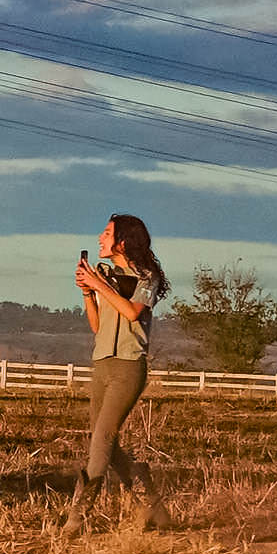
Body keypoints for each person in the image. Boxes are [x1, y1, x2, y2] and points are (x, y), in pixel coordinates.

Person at [73, 212, 170, 522]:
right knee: (104, 441)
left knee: (102, 439)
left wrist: (100, 286)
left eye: (107, 233)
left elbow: (131, 313)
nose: (100, 238)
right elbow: (97, 326)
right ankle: (151, 504)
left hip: (128, 367)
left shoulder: (146, 278)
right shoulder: (106, 275)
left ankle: (78, 516)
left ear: (123, 241)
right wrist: (88, 292)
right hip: (102, 363)